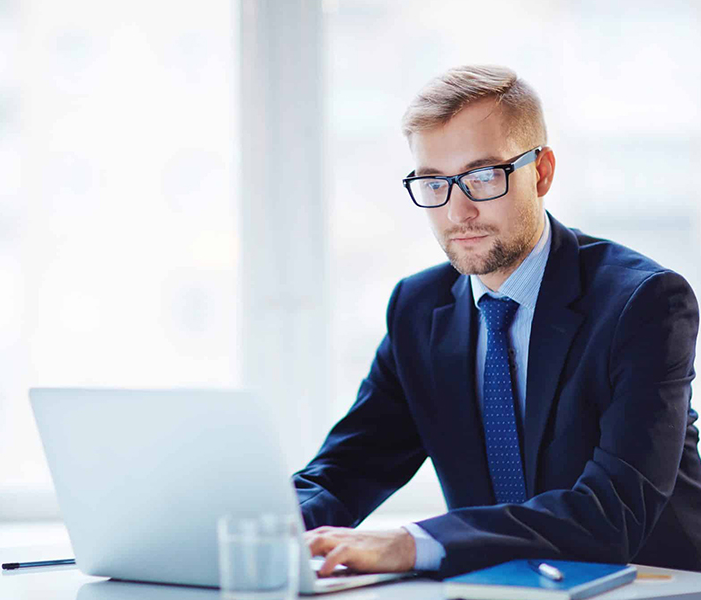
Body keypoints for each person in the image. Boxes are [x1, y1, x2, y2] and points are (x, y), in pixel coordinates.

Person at [294, 65, 701, 578]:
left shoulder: (644, 303)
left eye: (483, 176)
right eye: (433, 182)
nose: (456, 211)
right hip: (498, 587)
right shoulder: (418, 308)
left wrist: (409, 543)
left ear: (542, 172)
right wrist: (264, 524)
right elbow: (347, 470)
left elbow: (612, 512)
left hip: (655, 583)